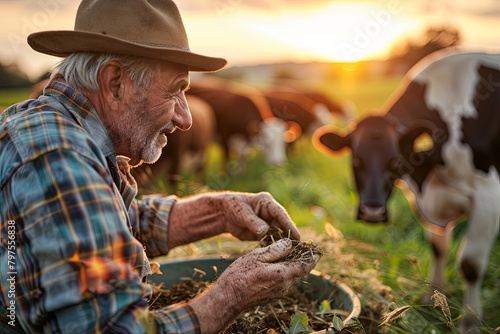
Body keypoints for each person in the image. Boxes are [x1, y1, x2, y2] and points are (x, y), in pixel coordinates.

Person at [0, 1, 319, 333]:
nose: (186, 118)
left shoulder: (56, 130)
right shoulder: (59, 160)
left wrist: (219, 211)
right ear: (114, 83)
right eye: (175, 91)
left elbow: (107, 226)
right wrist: (232, 295)